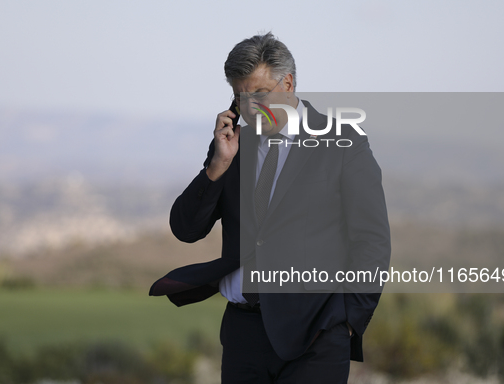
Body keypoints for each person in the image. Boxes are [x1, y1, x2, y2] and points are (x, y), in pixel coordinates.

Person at [150, 32, 391, 383]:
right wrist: (215, 168)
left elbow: (372, 241)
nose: (251, 109)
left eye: (260, 94)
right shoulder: (232, 147)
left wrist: (348, 321)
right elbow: (187, 230)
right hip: (242, 333)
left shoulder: (344, 142)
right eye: (240, 97)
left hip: (316, 336)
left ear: (288, 82)